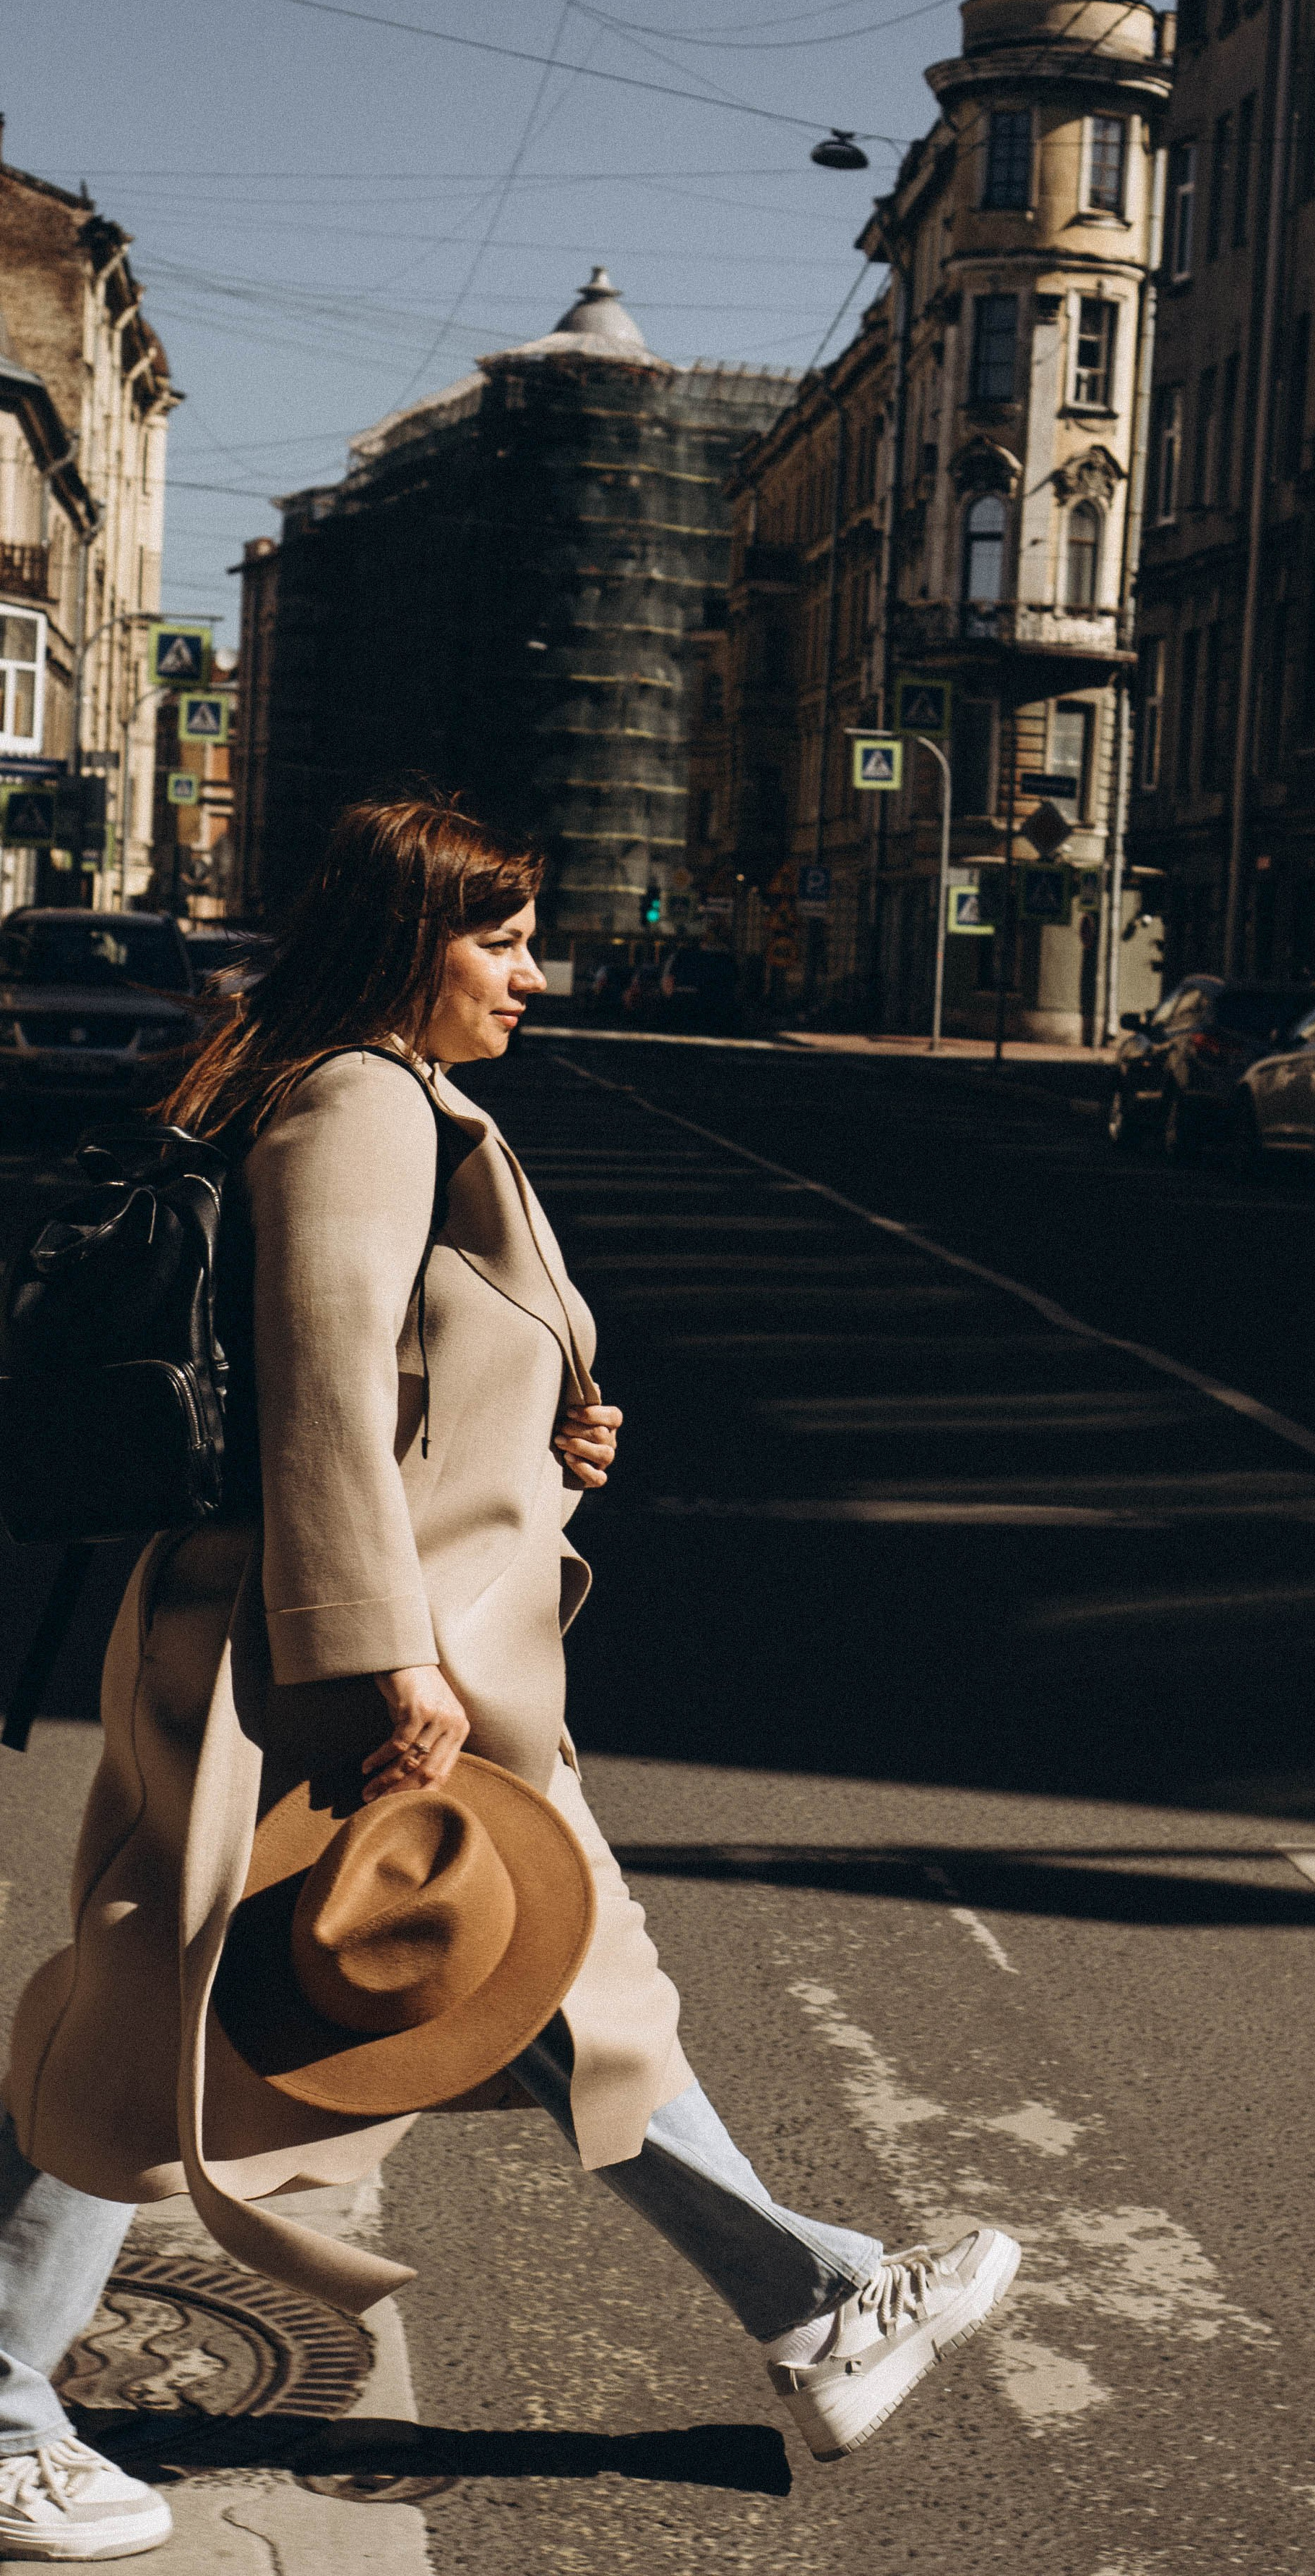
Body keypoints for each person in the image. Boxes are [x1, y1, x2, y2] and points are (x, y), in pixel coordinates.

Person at [0, 799, 1018, 2562]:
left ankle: (812, 2304)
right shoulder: (357, 1101)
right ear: (414, 944)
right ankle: (5, 2413)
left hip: (399, 1647)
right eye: (505, 939)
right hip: (317, 1661)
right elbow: (320, 1380)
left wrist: (548, 1425)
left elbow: (397, 1359)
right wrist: (373, 1661)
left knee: (558, 1983)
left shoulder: (367, 1092)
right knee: (155, 2018)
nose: (535, 974)